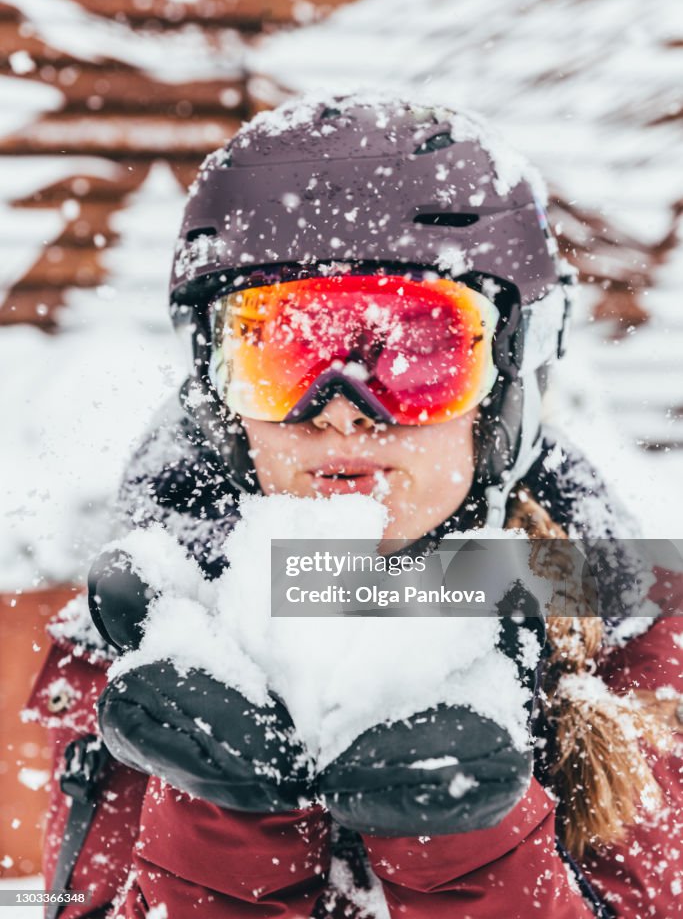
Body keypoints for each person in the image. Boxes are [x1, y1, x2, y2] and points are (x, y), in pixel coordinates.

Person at [26, 95, 683, 919]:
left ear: (507, 385)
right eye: (283, 353)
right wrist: (228, 825)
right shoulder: (150, 631)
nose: (342, 409)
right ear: (221, 398)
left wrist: (466, 851)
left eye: (417, 353)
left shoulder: (623, 629)